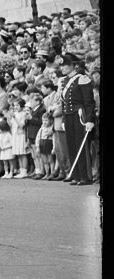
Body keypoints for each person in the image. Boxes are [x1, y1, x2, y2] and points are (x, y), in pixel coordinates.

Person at [60, 53, 96, 185]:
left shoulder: (82, 79)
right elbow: (64, 103)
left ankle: (86, 176)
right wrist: (64, 119)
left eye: (65, 65)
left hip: (80, 115)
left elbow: (89, 102)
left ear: (73, 66)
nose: (62, 68)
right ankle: (76, 175)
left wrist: (90, 120)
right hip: (68, 116)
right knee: (72, 145)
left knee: (81, 144)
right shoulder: (63, 81)